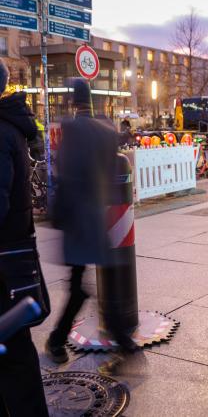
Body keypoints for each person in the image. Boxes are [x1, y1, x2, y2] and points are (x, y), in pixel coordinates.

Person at [47, 78, 137, 366]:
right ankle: (122, 340)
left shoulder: (71, 130)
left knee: (78, 286)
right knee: (93, 281)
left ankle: (59, 340)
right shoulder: (105, 129)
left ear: (73, 102)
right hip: (100, 216)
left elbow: (65, 176)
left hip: (77, 218)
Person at [0, 59, 49, 416]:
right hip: (12, 258)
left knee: (14, 355)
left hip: (4, 264)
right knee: (14, 351)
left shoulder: (1, 131)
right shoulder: (9, 127)